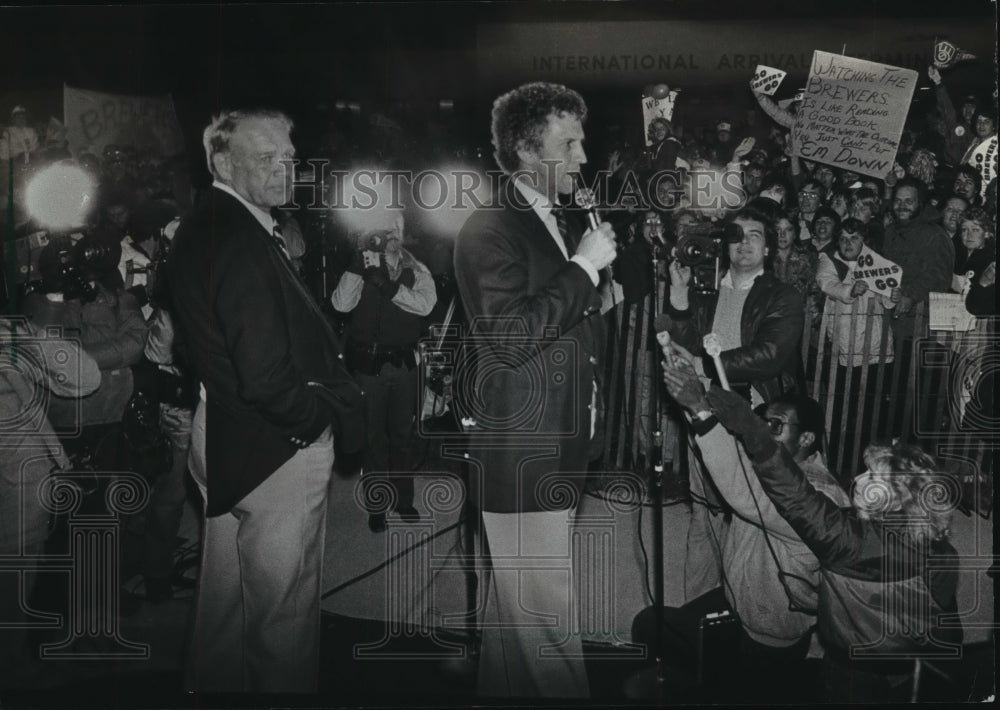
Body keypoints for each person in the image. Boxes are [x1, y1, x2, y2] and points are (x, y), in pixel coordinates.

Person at [167, 109, 361, 693]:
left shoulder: (216, 225)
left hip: (227, 434)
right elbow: (264, 372)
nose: (284, 169)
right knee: (283, 617)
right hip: (272, 446)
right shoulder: (236, 236)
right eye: (265, 157)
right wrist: (313, 425)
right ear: (223, 164)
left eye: (289, 157)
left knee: (225, 605)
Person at [453, 81, 617, 698]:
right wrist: (581, 269)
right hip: (524, 451)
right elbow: (510, 337)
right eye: (568, 143)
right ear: (526, 152)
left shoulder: (554, 221)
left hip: (555, 441)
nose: (581, 157)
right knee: (546, 620)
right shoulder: (489, 226)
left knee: (513, 617)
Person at [706, 388, 962, 703]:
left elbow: (795, 497)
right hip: (910, 674)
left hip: (853, 678)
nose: (859, 478)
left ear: (898, 498)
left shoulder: (853, 543)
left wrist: (750, 427)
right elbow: (949, 627)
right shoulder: (942, 552)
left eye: (872, 476)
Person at [633, 343, 849, 702]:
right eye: (764, 422)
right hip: (738, 609)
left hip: (770, 642)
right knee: (652, 628)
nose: (764, 431)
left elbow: (742, 488)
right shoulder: (779, 471)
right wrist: (696, 382)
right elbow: (724, 442)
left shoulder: (820, 498)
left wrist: (699, 407)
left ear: (807, 438)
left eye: (776, 426)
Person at [660, 205, 804, 600]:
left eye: (755, 235)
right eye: (736, 235)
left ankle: (746, 607)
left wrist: (704, 362)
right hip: (704, 411)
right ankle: (698, 607)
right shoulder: (708, 288)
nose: (744, 244)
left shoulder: (782, 295)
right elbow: (684, 341)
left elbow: (770, 354)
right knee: (704, 513)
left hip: (756, 418)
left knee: (751, 514)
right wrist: (678, 294)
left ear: (770, 248)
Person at [0, 317, 100, 687]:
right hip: (15, 494)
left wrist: (35, 340)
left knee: (20, 593)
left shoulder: (9, 337)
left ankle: (18, 663)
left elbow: (86, 379)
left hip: (24, 497)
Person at [331, 213, 437, 532]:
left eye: (397, 225)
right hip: (369, 368)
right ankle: (377, 504)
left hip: (404, 366)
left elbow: (426, 305)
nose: (391, 230)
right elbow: (340, 305)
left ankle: (404, 500)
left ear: (404, 232)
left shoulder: (416, 268)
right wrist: (357, 266)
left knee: (403, 437)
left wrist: (389, 288)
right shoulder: (361, 267)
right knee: (373, 437)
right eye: (384, 224)